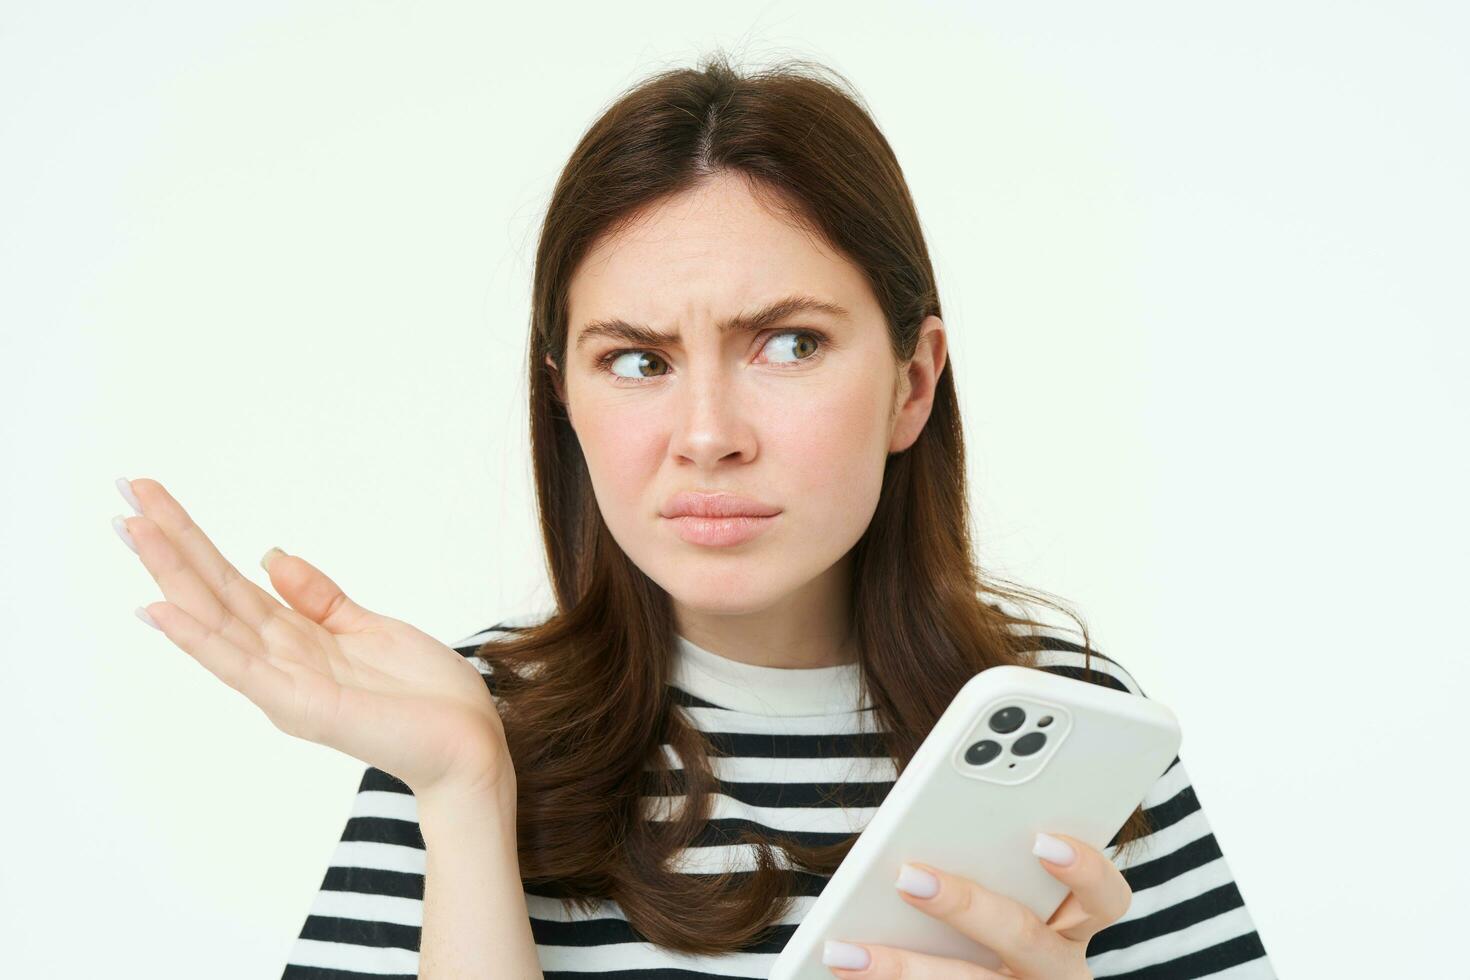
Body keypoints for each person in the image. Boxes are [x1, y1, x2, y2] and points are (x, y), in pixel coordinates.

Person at [113, 52, 1274, 979]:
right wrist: (467, 795)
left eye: (789, 342)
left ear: (912, 383)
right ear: (562, 393)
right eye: (635, 360)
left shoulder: (1073, 739)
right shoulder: (454, 731)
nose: (708, 432)